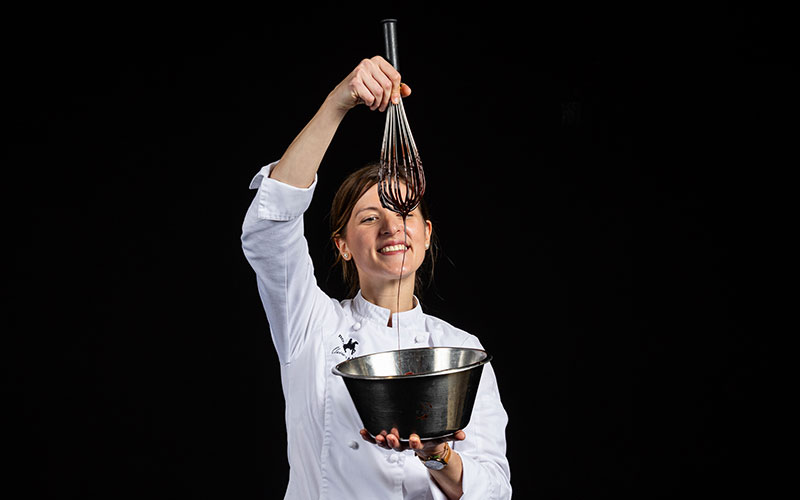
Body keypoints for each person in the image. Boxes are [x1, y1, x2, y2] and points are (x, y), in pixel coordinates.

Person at [241, 55, 511, 499]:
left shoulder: (462, 351)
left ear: (425, 235)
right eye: (369, 218)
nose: (391, 228)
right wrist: (337, 104)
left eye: (405, 214)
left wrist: (437, 454)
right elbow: (269, 227)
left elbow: (496, 490)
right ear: (342, 245)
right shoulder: (310, 325)